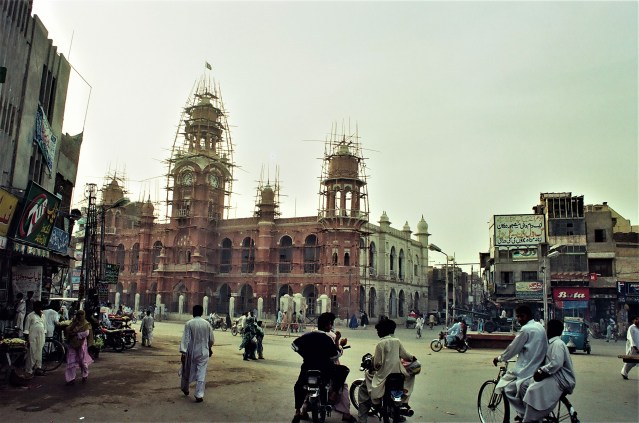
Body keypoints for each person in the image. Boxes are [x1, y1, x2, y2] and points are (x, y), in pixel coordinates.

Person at [493, 305, 548, 422]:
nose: (519, 319)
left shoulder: (526, 329)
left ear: (527, 316)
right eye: (517, 316)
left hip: (527, 369)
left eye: (521, 316)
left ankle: (524, 415)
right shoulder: (540, 326)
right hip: (539, 366)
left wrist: (500, 358)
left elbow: (513, 348)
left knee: (507, 389)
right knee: (517, 388)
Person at [357, 318, 417, 423]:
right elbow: (406, 355)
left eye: (378, 331)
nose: (377, 333)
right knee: (398, 395)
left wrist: (372, 366)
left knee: (364, 388)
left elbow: (377, 364)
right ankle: (398, 408)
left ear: (383, 331)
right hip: (398, 376)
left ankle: (365, 416)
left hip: (383, 377)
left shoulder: (380, 344)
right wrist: (413, 358)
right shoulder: (397, 341)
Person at [520, 319, 576, 422]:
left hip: (561, 379)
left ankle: (531, 418)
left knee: (533, 390)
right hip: (554, 375)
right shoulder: (551, 343)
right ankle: (528, 413)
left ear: (550, 330)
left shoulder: (557, 344)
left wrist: (541, 371)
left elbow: (556, 363)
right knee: (524, 385)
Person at [291, 312, 343, 423]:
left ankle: (297, 411)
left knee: (299, 386)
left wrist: (304, 354)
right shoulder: (327, 339)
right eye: (330, 324)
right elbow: (335, 355)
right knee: (342, 371)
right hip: (324, 369)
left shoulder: (307, 336)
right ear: (326, 325)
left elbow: (294, 346)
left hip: (307, 367)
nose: (331, 326)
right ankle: (334, 394)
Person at [180, 305, 215, 402]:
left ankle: (185, 388)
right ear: (202, 312)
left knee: (187, 369)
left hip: (191, 351)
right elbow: (211, 339)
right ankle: (199, 394)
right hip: (204, 351)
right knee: (201, 373)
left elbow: (186, 339)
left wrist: (183, 352)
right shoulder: (207, 324)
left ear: (193, 312)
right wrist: (209, 348)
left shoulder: (189, 323)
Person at [64, 309, 94, 385]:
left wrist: (76, 334)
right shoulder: (74, 322)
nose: (80, 316)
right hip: (72, 343)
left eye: (81, 315)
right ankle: (71, 379)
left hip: (82, 344)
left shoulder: (86, 324)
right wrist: (73, 326)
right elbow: (68, 330)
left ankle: (85, 374)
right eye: (79, 315)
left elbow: (86, 333)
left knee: (82, 361)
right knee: (71, 361)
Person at [24, 300, 47, 377]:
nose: (39, 309)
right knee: (32, 353)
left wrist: (44, 336)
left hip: (41, 336)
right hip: (32, 337)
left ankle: (38, 368)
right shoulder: (30, 316)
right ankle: (29, 370)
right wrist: (27, 340)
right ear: (34, 308)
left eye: (40, 307)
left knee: (39, 352)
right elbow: (26, 329)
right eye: (37, 307)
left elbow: (44, 327)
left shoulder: (43, 315)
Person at [620, 315, 639, 380]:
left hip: (637, 347)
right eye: (636, 319)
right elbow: (631, 339)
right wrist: (635, 348)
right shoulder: (631, 328)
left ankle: (624, 372)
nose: (638, 320)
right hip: (633, 348)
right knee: (630, 360)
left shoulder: (637, 328)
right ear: (633, 320)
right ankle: (624, 372)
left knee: (633, 362)